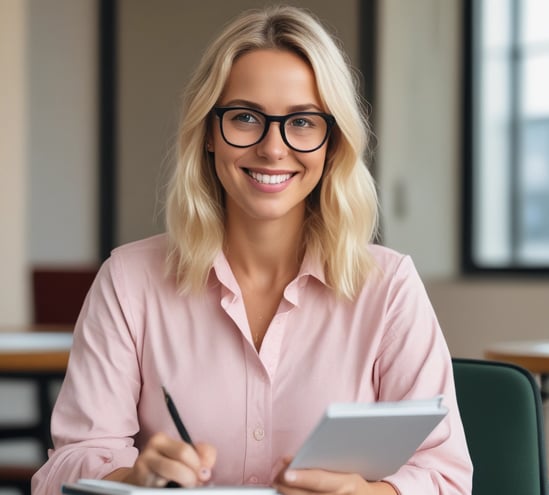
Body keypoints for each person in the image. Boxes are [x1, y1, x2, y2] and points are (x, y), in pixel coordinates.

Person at [32, 5, 472, 495]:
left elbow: (446, 477)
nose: (273, 148)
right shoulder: (129, 281)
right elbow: (60, 473)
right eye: (245, 117)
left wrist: (365, 494)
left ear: (333, 143)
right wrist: (132, 479)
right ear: (208, 135)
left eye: (302, 122)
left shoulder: (388, 288)